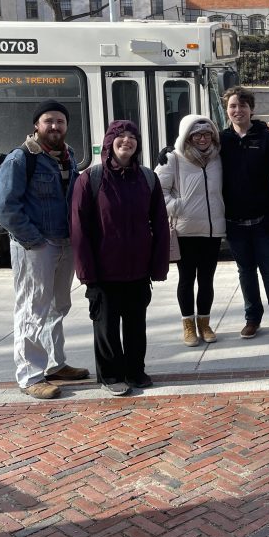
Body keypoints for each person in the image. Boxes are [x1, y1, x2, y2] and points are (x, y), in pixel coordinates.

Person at [0, 99, 88, 399]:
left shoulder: (68, 156)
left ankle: (56, 364)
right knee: (32, 309)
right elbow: (5, 207)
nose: (55, 126)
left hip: (63, 242)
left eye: (60, 121)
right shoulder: (21, 158)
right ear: (37, 124)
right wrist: (34, 240)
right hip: (35, 245)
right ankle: (30, 376)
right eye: (49, 121)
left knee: (58, 307)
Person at [71, 120, 169, 396]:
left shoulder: (148, 178)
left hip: (138, 270)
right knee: (106, 327)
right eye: (120, 137)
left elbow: (160, 223)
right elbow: (79, 228)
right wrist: (86, 271)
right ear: (109, 142)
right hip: (103, 272)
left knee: (136, 326)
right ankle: (111, 375)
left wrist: (158, 265)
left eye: (132, 138)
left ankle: (135, 370)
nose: (127, 141)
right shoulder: (90, 179)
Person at [219, 86, 269, 340]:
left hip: (264, 221)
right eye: (233, 106)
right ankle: (252, 318)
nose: (238, 111)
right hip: (234, 223)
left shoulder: (267, 139)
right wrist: (170, 152)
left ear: (251, 108)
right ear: (227, 110)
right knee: (245, 272)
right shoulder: (221, 140)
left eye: (242, 105)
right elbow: (194, 153)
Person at [155, 114, 226, 347]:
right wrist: (179, 207)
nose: (203, 139)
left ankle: (204, 323)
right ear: (188, 136)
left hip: (212, 230)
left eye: (207, 134)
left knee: (207, 280)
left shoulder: (217, 158)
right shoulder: (173, 158)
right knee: (187, 280)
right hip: (185, 230)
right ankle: (188, 325)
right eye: (197, 135)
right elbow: (158, 192)